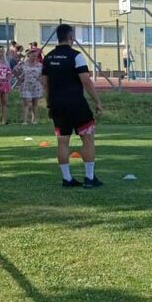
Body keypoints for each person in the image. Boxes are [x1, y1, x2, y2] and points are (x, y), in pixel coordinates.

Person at [42, 24, 104, 188]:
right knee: (88, 139)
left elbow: (45, 84)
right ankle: (89, 178)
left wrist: (49, 104)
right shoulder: (76, 56)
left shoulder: (48, 57)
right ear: (71, 37)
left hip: (57, 104)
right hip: (76, 103)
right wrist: (97, 101)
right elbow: (86, 81)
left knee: (62, 141)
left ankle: (67, 179)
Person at [14, 48, 44, 124]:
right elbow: (15, 70)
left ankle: (34, 120)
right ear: (29, 55)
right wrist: (19, 78)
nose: (34, 57)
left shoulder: (40, 65)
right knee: (26, 103)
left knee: (35, 103)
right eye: (33, 56)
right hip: (26, 85)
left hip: (36, 86)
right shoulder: (23, 64)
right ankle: (25, 121)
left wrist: (41, 79)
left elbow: (44, 74)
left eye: (35, 56)